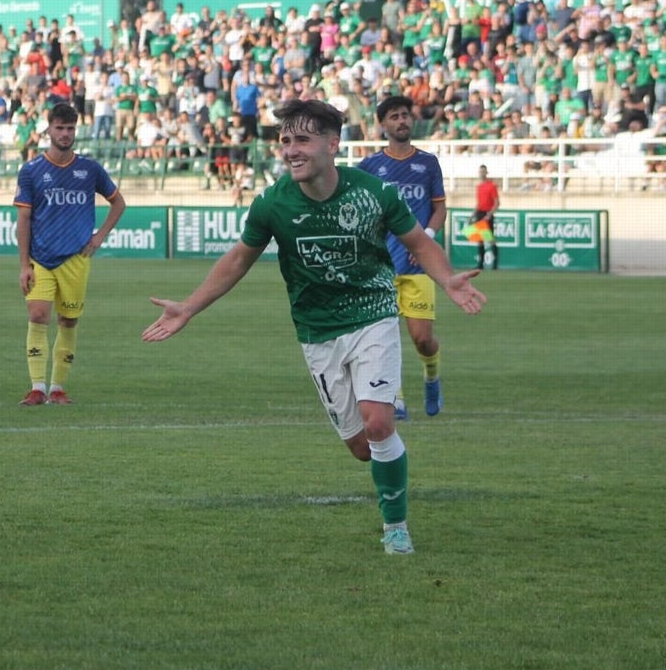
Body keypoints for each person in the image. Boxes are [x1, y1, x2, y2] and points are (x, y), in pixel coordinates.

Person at [142, 99, 486, 556]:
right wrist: (189, 307)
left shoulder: (374, 193)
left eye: (301, 139)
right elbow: (239, 259)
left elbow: (418, 242)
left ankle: (396, 526)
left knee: (379, 423)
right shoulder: (272, 203)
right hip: (317, 331)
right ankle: (388, 483)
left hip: (373, 315)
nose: (290, 150)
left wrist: (446, 280)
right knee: (362, 447)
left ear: (332, 143)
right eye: (285, 141)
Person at [15, 102, 127, 407]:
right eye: (60, 128)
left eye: (70, 128)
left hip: (76, 259)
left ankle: (58, 387)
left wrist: (100, 236)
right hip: (40, 258)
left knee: (68, 320)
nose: (65, 134)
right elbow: (23, 219)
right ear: (48, 129)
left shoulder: (89, 169)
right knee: (38, 315)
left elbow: (118, 203)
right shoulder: (32, 171)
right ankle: (37, 386)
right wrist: (24, 264)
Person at [357, 94, 448, 420]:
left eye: (406, 115)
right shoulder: (369, 167)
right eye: (394, 116)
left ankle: (432, 376)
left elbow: (439, 208)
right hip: (380, 266)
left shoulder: (427, 163)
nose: (402, 121)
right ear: (383, 124)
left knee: (422, 339)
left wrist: (426, 240)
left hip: (417, 265)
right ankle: (394, 399)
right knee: (384, 339)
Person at [473, 164, 500, 269]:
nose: (482, 174)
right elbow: (479, 203)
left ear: (486, 173)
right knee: (479, 238)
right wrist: (472, 215)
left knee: (490, 238)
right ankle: (480, 264)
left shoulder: (492, 186)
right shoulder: (479, 187)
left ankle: (495, 264)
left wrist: (490, 214)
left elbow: (497, 203)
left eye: (483, 171)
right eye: (480, 172)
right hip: (480, 213)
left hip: (487, 214)